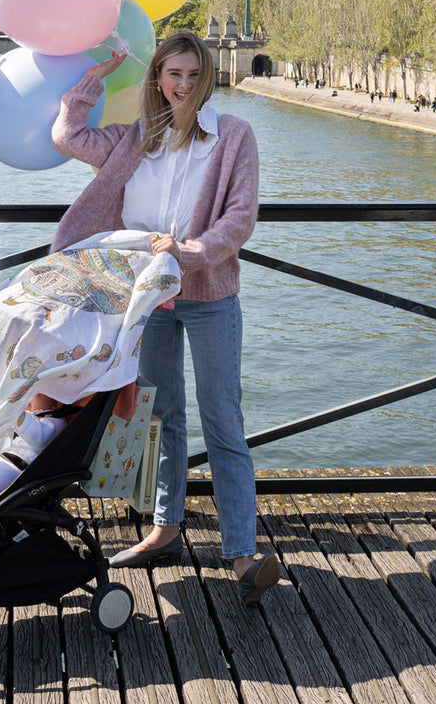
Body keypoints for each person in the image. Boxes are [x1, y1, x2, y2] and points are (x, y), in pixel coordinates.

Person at [50, 31, 279, 606]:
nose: (182, 84)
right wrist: (98, 73)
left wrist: (187, 253)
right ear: (157, 78)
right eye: (172, 73)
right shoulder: (134, 141)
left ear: (206, 78)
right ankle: (166, 529)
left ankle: (242, 550)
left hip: (208, 298)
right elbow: (67, 135)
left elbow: (240, 217)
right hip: (145, 300)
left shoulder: (232, 137)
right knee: (161, 416)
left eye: (192, 74)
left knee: (223, 418)